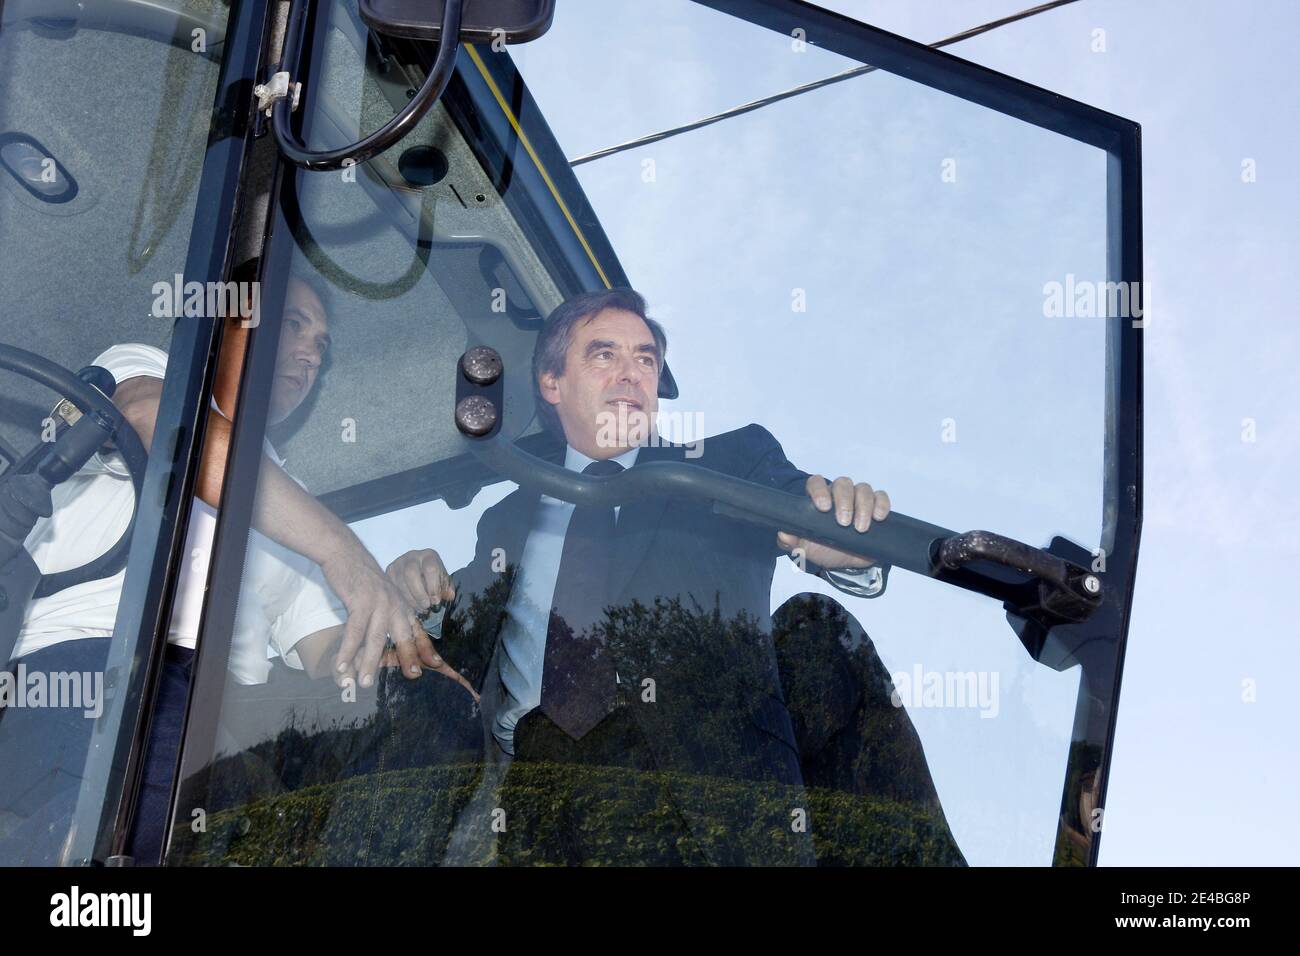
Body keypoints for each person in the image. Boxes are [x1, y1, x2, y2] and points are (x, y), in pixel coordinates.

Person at [379, 288, 953, 866]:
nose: (632, 374)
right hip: (539, 798)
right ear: (552, 383)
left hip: (707, 788)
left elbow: (806, 510)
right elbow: (457, 636)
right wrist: (411, 591)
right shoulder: (503, 521)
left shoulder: (727, 465)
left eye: (646, 360)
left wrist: (843, 537)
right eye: (605, 355)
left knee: (817, 627)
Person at [0, 267, 434, 865]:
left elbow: (337, 657)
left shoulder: (294, 506)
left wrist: (407, 613)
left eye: (320, 347)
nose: (309, 354)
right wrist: (342, 550)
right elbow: (157, 422)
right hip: (81, 676)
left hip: (214, 718)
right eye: (293, 325)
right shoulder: (149, 370)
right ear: (228, 324)